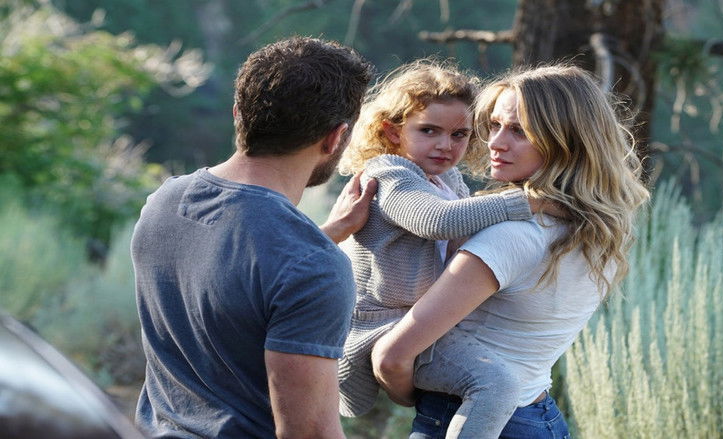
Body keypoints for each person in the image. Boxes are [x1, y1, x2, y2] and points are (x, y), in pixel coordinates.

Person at [372, 65, 650, 438]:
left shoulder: (509, 237)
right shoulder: (596, 230)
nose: (496, 143)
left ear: (565, 141)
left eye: (519, 131)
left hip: (468, 418)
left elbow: (391, 357)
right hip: (541, 418)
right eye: (495, 125)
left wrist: (412, 397)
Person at [131, 37, 374, 438]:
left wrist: (326, 235)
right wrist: (317, 248)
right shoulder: (312, 266)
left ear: (238, 114)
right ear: (335, 138)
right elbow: (308, 433)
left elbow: (234, 272)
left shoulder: (164, 203)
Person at [336, 60, 543, 431]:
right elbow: (436, 221)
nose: (445, 145)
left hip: (419, 325)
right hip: (382, 327)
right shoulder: (389, 174)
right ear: (392, 131)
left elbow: (462, 231)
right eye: (428, 130)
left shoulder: (446, 179)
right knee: (497, 384)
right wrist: (529, 202)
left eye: (459, 134)